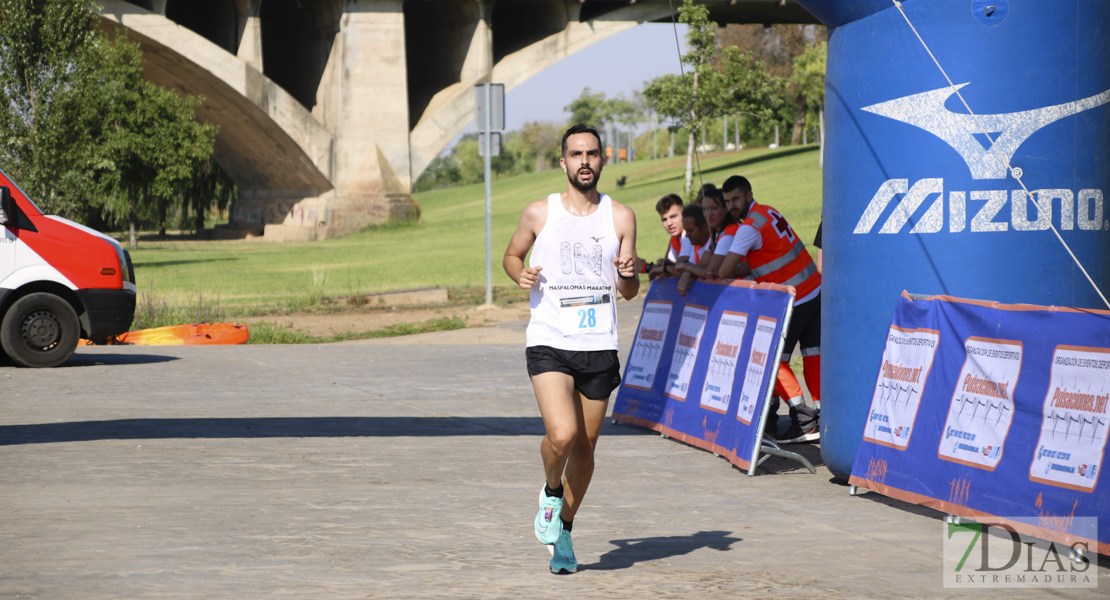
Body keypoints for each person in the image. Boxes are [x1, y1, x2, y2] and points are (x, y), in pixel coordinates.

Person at [502, 123, 639, 574]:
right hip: (550, 339)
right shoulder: (539, 213)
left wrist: (627, 271)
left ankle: (564, 529)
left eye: (592, 153)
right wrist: (517, 273)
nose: (584, 161)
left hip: (598, 343)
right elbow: (512, 255)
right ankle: (550, 490)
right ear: (563, 163)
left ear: (603, 160)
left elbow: (629, 290)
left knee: (586, 449)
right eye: (576, 154)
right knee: (562, 435)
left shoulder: (620, 217)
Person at [717, 175, 821, 444]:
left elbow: (724, 271)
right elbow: (765, 257)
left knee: (774, 360)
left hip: (795, 297)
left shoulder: (748, 228)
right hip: (813, 288)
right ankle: (823, 415)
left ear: (749, 195)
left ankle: (803, 420)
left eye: (736, 199)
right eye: (727, 202)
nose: (732, 206)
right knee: (812, 354)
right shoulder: (768, 211)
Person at [675, 184, 738, 296]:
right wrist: (687, 273)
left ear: (726, 209)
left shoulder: (729, 233)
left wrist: (685, 266)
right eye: (705, 209)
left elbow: (706, 272)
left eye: (715, 208)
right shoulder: (716, 232)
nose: (709, 214)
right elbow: (701, 265)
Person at [637, 194, 685, 279]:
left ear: (684, 213)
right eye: (664, 219)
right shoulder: (675, 238)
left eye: (673, 216)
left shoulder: (687, 235)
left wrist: (647, 267)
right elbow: (668, 268)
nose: (669, 223)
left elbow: (680, 270)